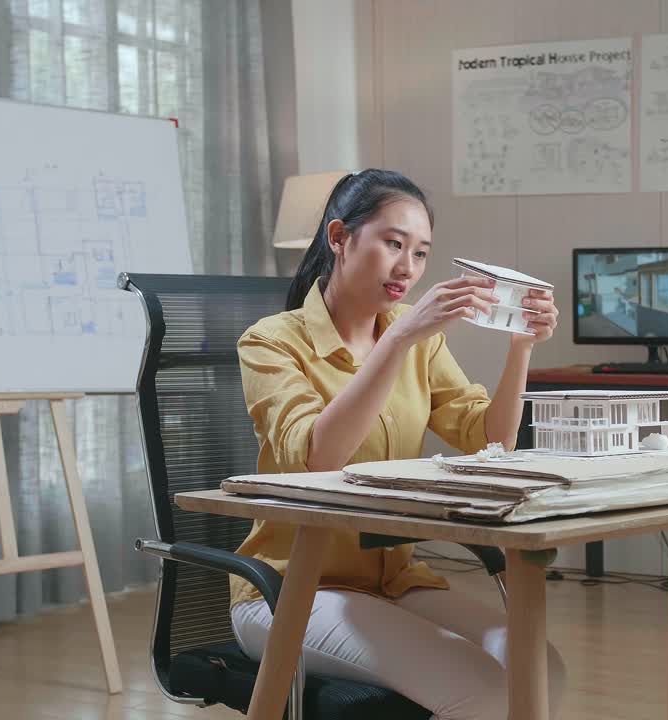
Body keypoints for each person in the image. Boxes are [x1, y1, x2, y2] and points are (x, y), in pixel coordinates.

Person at [229, 169, 566, 720]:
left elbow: (491, 439)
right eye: (393, 243)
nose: (407, 267)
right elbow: (319, 457)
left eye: (420, 252)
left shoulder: (414, 335)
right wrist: (402, 337)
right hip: (291, 591)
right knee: (482, 689)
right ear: (339, 238)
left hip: (396, 581)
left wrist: (520, 348)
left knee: (541, 671)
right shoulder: (271, 340)